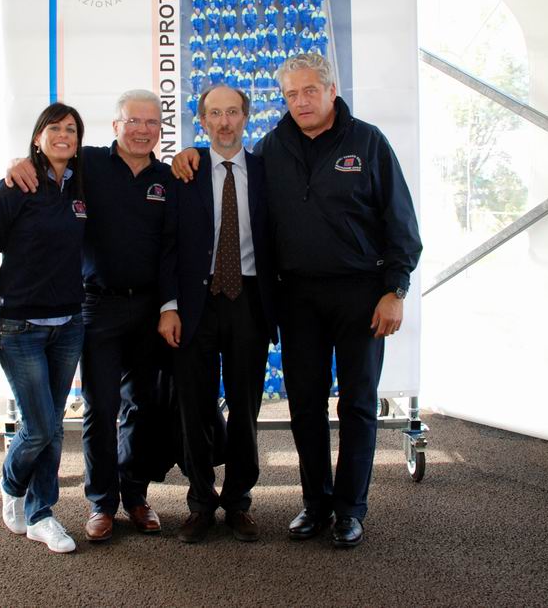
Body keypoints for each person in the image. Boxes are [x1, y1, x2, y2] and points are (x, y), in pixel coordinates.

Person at [172, 53, 422, 547]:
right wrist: (189, 154)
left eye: (310, 91)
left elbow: (401, 223)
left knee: (357, 404)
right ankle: (316, 504)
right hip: (297, 298)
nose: (301, 101)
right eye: (291, 94)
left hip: (361, 295)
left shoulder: (368, 142)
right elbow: (227, 165)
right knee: (305, 405)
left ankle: (350, 510)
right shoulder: (272, 149)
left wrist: (395, 290)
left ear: (331, 91)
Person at [6, 90, 172, 543]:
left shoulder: (168, 177)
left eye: (151, 122)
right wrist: (18, 163)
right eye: (132, 121)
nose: (142, 130)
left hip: (150, 308)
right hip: (98, 306)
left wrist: (169, 306)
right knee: (101, 407)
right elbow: (49, 159)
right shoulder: (90, 163)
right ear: (116, 126)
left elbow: (174, 247)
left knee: (142, 405)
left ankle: (135, 496)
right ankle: (102, 503)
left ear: (160, 129)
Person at [157, 85, 277, 543]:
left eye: (232, 112)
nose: (224, 122)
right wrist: (169, 306)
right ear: (202, 121)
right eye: (215, 113)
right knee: (195, 406)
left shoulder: (266, 172)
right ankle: (201, 502)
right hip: (195, 303)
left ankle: (239, 501)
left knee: (246, 408)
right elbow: (168, 245)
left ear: (246, 116)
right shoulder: (184, 173)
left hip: (248, 298)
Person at [0, 102, 87, 554]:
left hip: (69, 324)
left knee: (54, 427)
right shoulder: (12, 188)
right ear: (38, 137)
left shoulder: (82, 184)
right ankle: (11, 483)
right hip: (20, 327)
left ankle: (41, 514)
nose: (64, 135)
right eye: (54, 128)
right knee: (39, 427)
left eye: (72, 130)